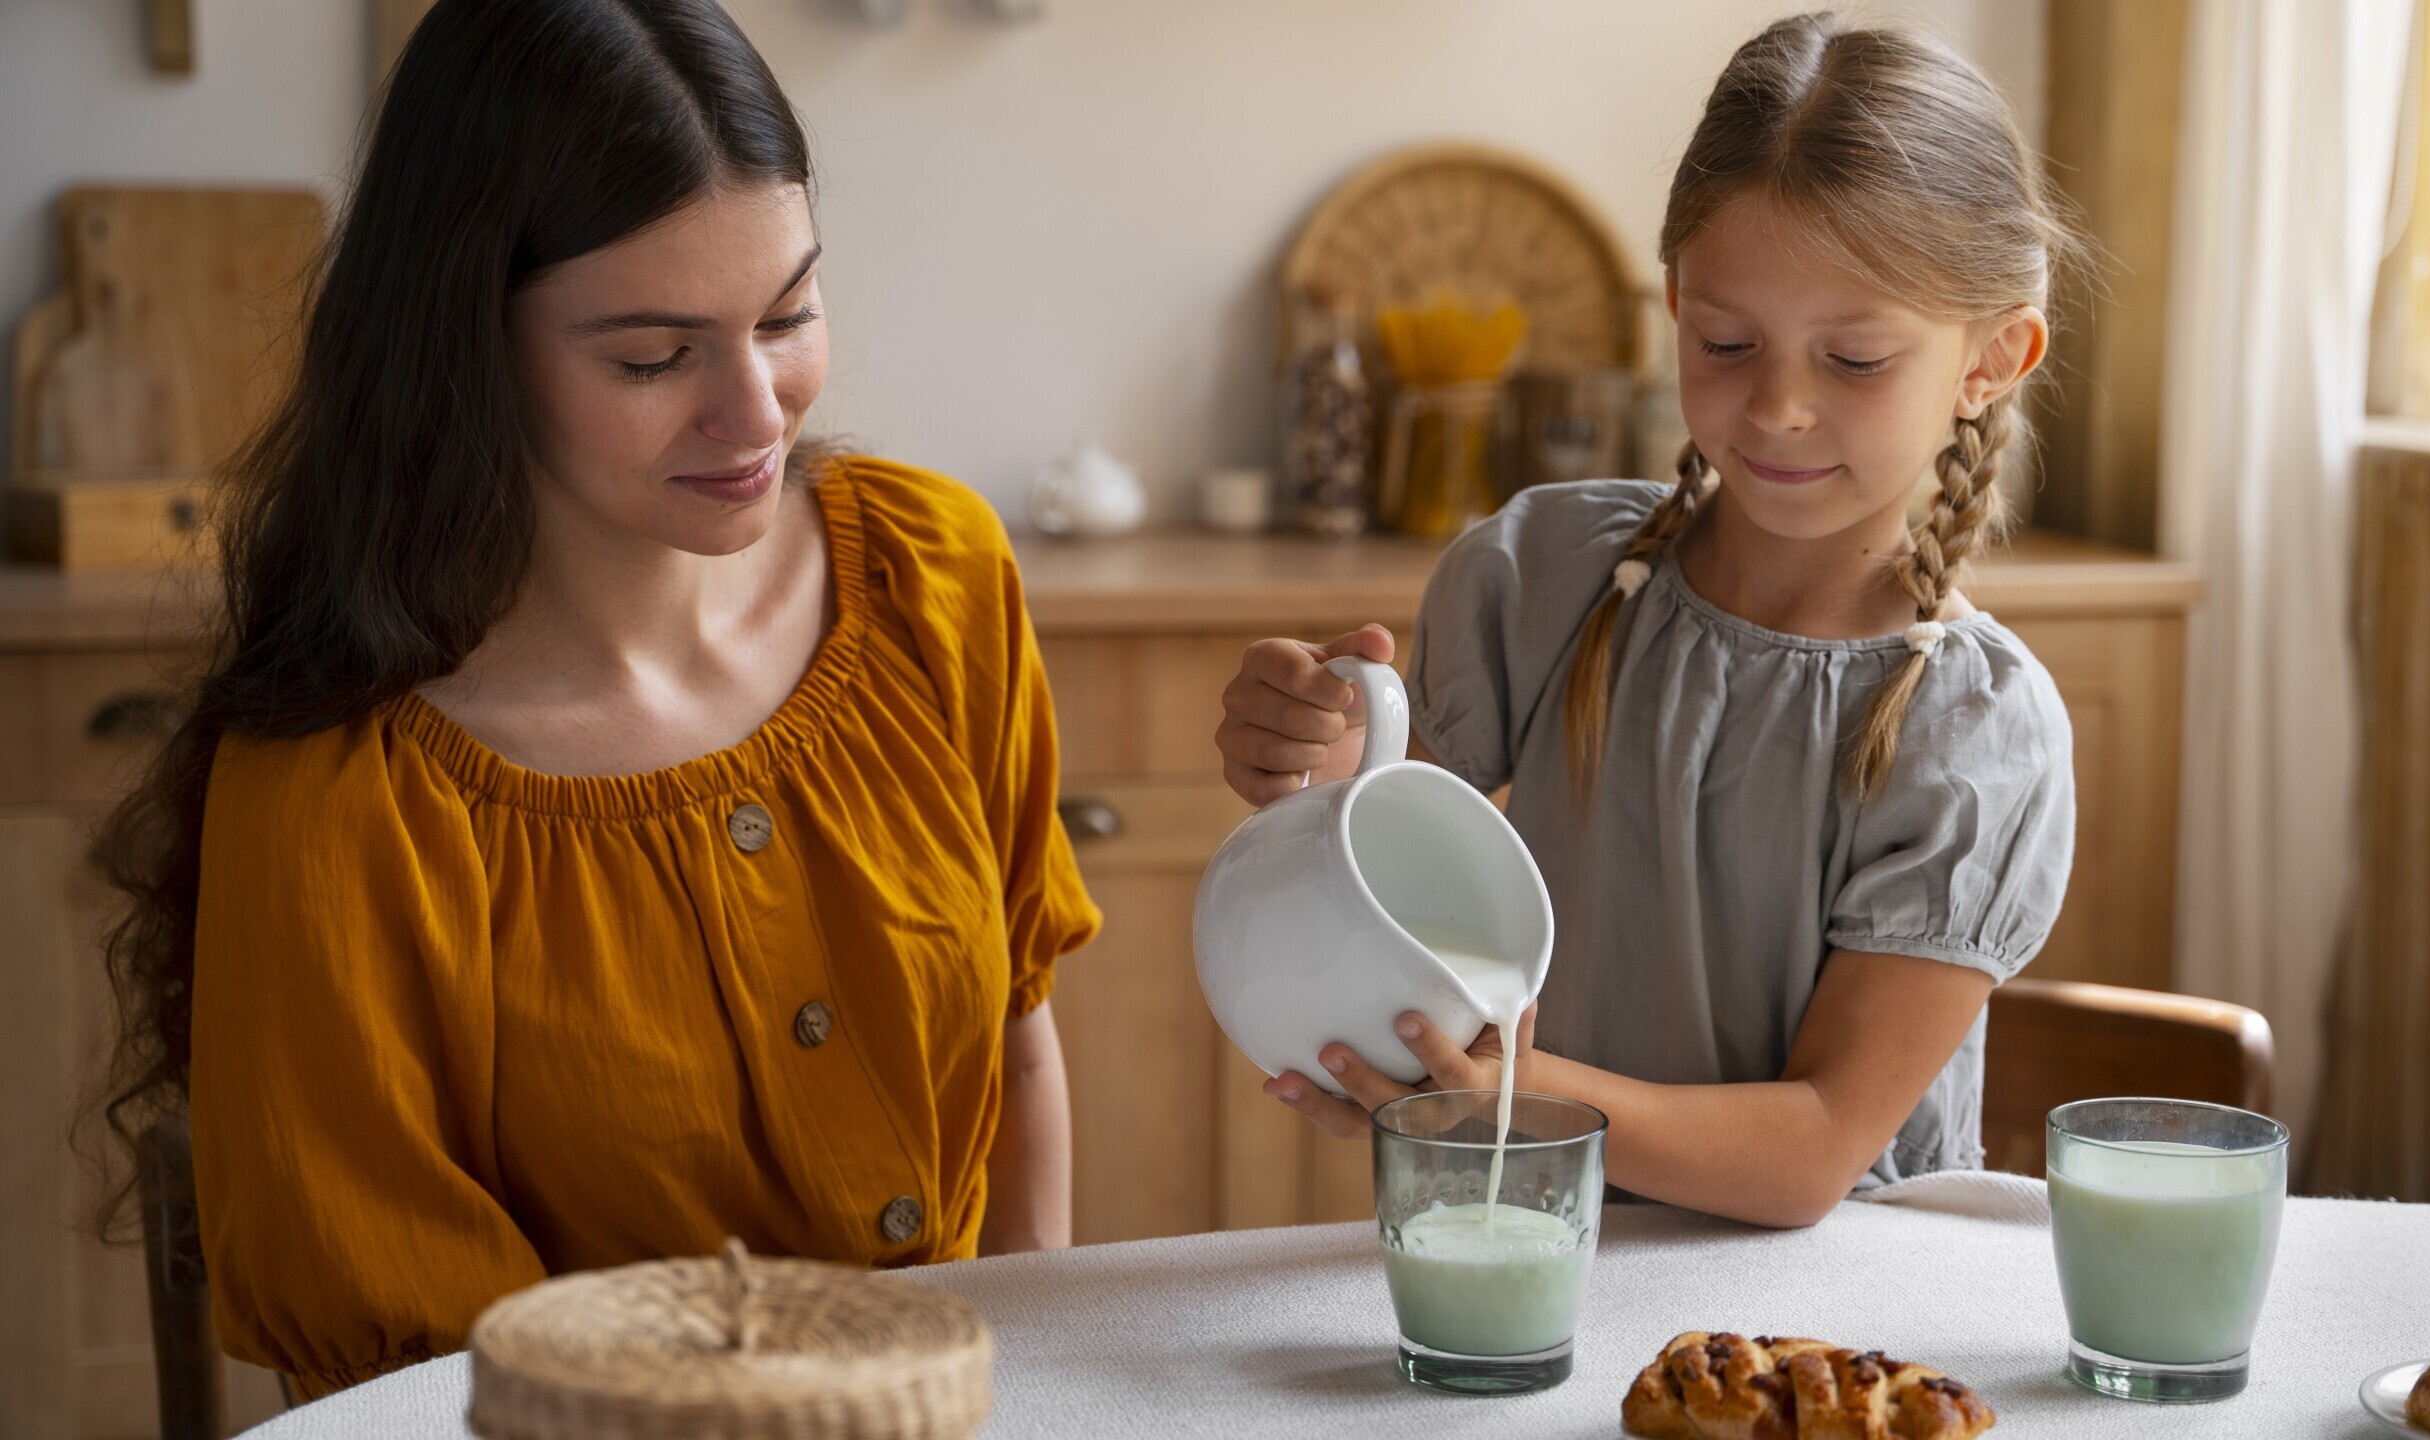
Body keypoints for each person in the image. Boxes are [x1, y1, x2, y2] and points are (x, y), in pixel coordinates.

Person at [89, 0, 1097, 1397]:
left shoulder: (938, 581)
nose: (757, 413)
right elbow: (393, 1389)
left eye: (789, 313)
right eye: (652, 357)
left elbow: (1019, 1047)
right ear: (470, 349)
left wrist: (1027, 1392)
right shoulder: (342, 794)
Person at [1215, 12, 2079, 1229]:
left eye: (1855, 360)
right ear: (1674, 301)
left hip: (1827, 1330)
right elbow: (1387, 848)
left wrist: (1514, 1100)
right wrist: (1311, 763)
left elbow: (1811, 1151)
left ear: (1990, 360)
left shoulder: (1974, 726)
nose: (1776, 407)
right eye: (1727, 341)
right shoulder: (1543, 574)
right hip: (1526, 1248)